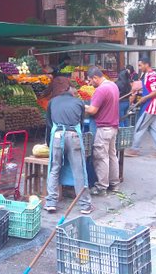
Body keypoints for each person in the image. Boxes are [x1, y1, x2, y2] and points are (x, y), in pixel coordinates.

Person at [43, 77, 93, 215]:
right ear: (69, 89)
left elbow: (48, 125)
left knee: (54, 168)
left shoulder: (52, 102)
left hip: (57, 136)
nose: (75, 91)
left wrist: (48, 143)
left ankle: (51, 203)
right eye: (73, 88)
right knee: (79, 170)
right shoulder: (79, 102)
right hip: (74, 136)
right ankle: (85, 205)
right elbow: (81, 124)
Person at [85, 67, 120, 196]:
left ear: (95, 78)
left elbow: (93, 110)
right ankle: (114, 184)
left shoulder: (101, 90)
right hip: (113, 127)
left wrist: (82, 106)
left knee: (101, 157)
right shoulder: (113, 85)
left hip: (104, 128)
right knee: (112, 156)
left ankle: (101, 187)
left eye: (90, 80)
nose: (89, 83)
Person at [125, 58, 156, 157]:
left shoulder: (151, 75)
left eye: (140, 65)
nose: (139, 68)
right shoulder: (147, 75)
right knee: (154, 129)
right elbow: (149, 87)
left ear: (146, 64)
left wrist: (144, 98)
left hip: (149, 106)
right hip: (152, 106)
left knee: (139, 127)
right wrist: (139, 89)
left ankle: (134, 149)